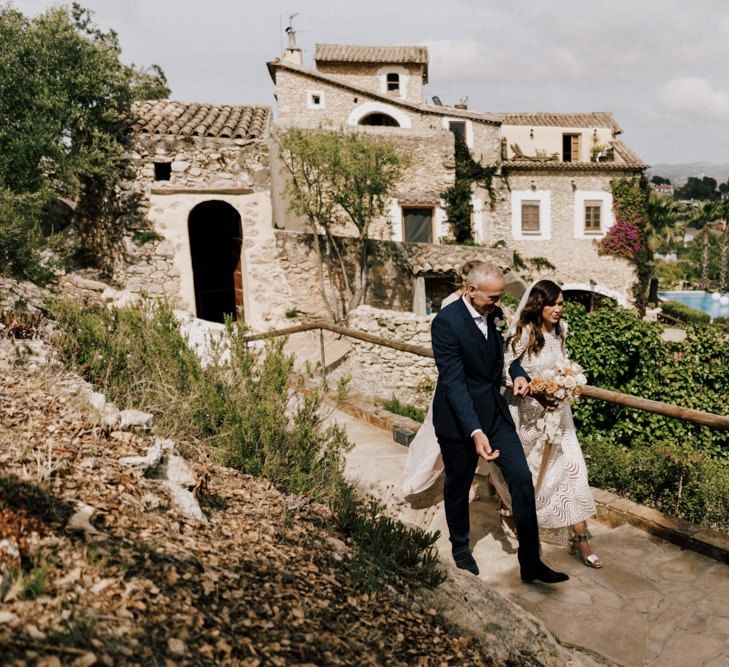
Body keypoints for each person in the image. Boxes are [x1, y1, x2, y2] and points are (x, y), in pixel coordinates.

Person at [430, 262, 568, 583]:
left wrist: (518, 377)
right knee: (458, 483)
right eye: (493, 298)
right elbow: (455, 382)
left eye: (501, 297)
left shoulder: (495, 315)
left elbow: (505, 361)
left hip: (495, 413)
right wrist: (474, 430)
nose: (499, 304)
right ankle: (461, 547)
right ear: (471, 291)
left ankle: (531, 563)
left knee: (521, 478)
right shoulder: (446, 324)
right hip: (458, 418)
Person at [490, 280, 603, 568]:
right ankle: (508, 509)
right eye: (553, 304)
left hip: (559, 416)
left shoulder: (561, 331)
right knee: (527, 475)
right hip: (526, 415)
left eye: (561, 304)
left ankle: (581, 539)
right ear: (538, 305)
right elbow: (509, 368)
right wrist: (526, 384)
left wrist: (567, 383)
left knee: (573, 472)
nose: (558, 309)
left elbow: (561, 365)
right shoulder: (523, 333)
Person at [403, 261, 485, 501]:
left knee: (472, 431)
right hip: (455, 379)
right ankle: (454, 479)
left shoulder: (485, 307)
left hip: (477, 382)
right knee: (449, 433)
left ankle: (468, 479)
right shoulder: (450, 304)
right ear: (470, 284)